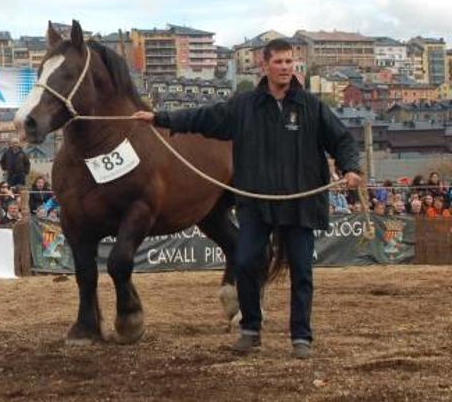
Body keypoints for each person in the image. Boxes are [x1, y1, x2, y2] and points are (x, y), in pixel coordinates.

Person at [133, 38, 361, 360]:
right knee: (244, 262)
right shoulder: (243, 107)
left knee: (301, 272)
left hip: (299, 202)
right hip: (256, 202)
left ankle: (301, 336)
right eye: (279, 62)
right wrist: (160, 119)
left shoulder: (311, 106)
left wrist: (351, 166)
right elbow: (203, 117)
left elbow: (341, 139)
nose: (285, 67)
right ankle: (251, 329)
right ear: (264, 65)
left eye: (289, 62)